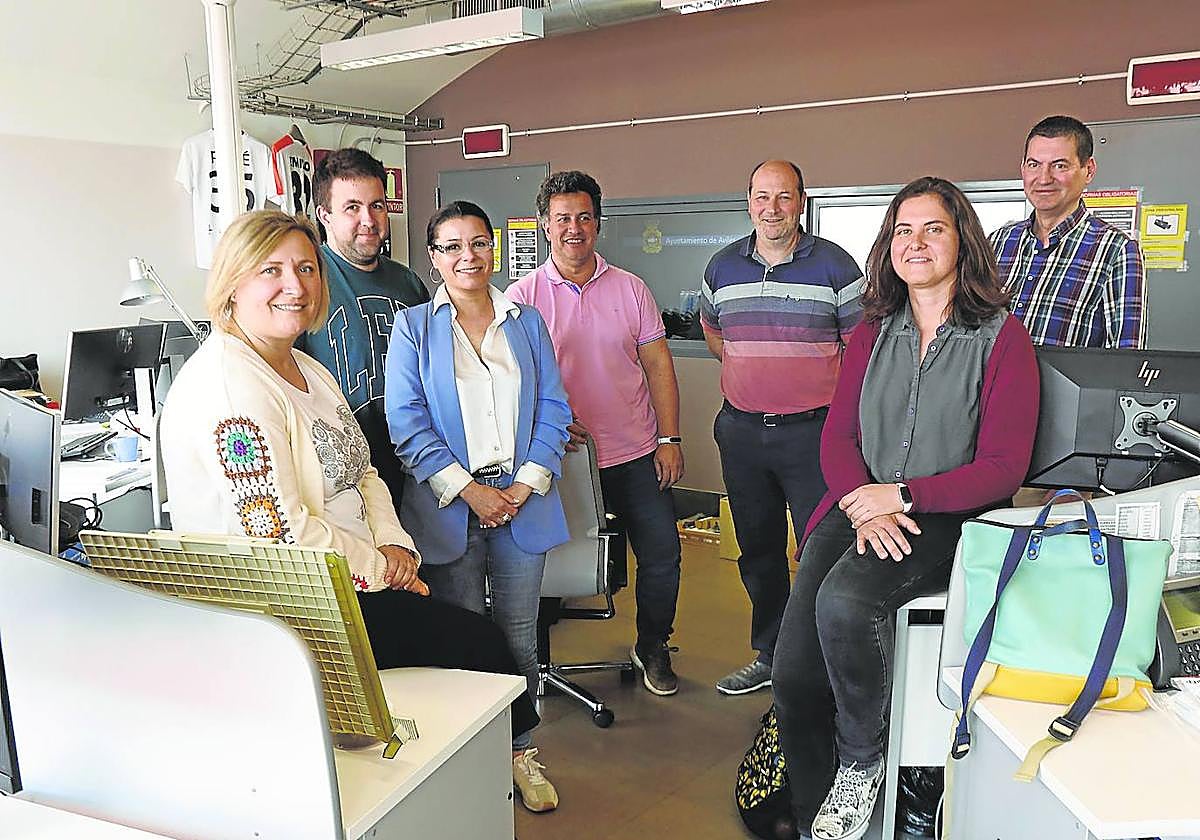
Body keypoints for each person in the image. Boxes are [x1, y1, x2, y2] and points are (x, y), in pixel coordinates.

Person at [158, 209, 540, 770]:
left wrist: (397, 546)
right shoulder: (229, 386)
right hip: (290, 608)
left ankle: (496, 766)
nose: (296, 285)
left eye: (308, 269)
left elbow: (363, 470)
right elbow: (279, 531)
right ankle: (493, 768)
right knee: (477, 644)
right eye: (272, 270)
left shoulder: (306, 370)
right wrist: (383, 567)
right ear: (232, 283)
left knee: (475, 643)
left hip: (350, 578)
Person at [770, 177, 1039, 840]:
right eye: (903, 231)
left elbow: (1006, 467)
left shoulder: (1003, 337)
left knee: (848, 603)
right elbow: (838, 436)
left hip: (947, 513)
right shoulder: (872, 331)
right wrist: (869, 507)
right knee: (793, 673)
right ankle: (813, 821)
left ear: (963, 242)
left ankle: (862, 762)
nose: (915, 243)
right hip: (863, 500)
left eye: (933, 229)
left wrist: (906, 496)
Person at [384, 201, 572, 813]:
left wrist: (522, 485)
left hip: (521, 500)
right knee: (462, 635)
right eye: (451, 246)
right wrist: (470, 490)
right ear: (433, 258)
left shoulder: (526, 322)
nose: (468, 257)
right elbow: (406, 423)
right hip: (449, 506)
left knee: (519, 636)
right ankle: (469, 757)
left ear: (493, 248)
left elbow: (553, 408)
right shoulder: (414, 327)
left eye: (478, 243)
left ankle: (518, 751)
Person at [507, 170, 685, 697]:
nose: (574, 228)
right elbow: (512, 381)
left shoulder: (631, 290)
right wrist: (551, 426)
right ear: (544, 225)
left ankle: (652, 644)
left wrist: (670, 439)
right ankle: (533, 661)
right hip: (557, 458)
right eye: (562, 218)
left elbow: (658, 366)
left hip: (634, 453)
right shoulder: (523, 296)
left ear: (598, 224)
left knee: (662, 554)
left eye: (584, 217)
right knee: (539, 556)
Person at [701, 160, 864, 696]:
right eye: (761, 197)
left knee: (822, 548)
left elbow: (858, 346)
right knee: (758, 549)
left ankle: (820, 662)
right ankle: (771, 654)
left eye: (784, 197)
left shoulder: (836, 266)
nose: (772, 208)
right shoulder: (721, 268)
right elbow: (716, 336)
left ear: (802, 201)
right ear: (748, 201)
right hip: (743, 432)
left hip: (814, 435)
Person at [295, 148, 431, 516]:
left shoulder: (408, 283)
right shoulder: (305, 283)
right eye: (352, 208)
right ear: (324, 215)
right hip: (341, 484)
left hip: (413, 470)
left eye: (376, 205)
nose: (368, 220)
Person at [991, 115, 1146, 348]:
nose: (1044, 178)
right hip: (989, 385)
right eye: (1034, 164)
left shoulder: (1117, 251)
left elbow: (1126, 363)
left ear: (1089, 170)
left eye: (1060, 165)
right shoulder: (998, 242)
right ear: (1023, 168)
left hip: (1058, 387)